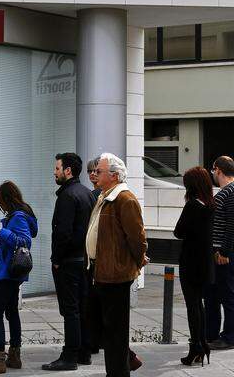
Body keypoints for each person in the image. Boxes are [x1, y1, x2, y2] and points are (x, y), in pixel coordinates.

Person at [85, 153, 147, 376]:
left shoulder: (125, 199)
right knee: (102, 327)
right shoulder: (104, 196)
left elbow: (137, 238)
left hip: (116, 274)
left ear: (114, 175)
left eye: (98, 171)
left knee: (115, 332)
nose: (94, 174)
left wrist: (137, 262)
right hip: (99, 271)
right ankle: (123, 364)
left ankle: (119, 371)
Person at [0, 181, 38, 375]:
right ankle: (14, 355)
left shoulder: (18, 216)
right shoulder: (21, 213)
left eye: (0, 202)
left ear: (6, 199)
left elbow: (24, 241)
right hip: (12, 272)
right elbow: (17, 240)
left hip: (8, 274)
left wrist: (1, 232)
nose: (0, 206)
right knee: (12, 311)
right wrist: (0, 245)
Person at [42, 153, 95, 371]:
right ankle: (83, 352)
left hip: (69, 262)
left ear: (68, 171)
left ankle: (69, 356)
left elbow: (62, 233)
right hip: (85, 260)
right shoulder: (87, 193)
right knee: (82, 307)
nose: (54, 172)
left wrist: (56, 259)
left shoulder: (67, 196)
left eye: (57, 168)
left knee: (70, 309)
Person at [174, 167, 215, 366]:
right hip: (205, 262)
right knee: (200, 305)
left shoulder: (192, 206)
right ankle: (203, 344)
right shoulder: (210, 204)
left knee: (193, 306)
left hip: (190, 262)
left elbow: (178, 231)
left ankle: (196, 347)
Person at [205, 156, 234, 350]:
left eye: (213, 170)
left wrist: (223, 251)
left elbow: (233, 224)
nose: (212, 173)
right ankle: (211, 335)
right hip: (220, 252)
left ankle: (229, 338)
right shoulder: (227, 191)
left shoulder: (233, 192)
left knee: (227, 296)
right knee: (213, 295)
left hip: (226, 253)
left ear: (219, 170)